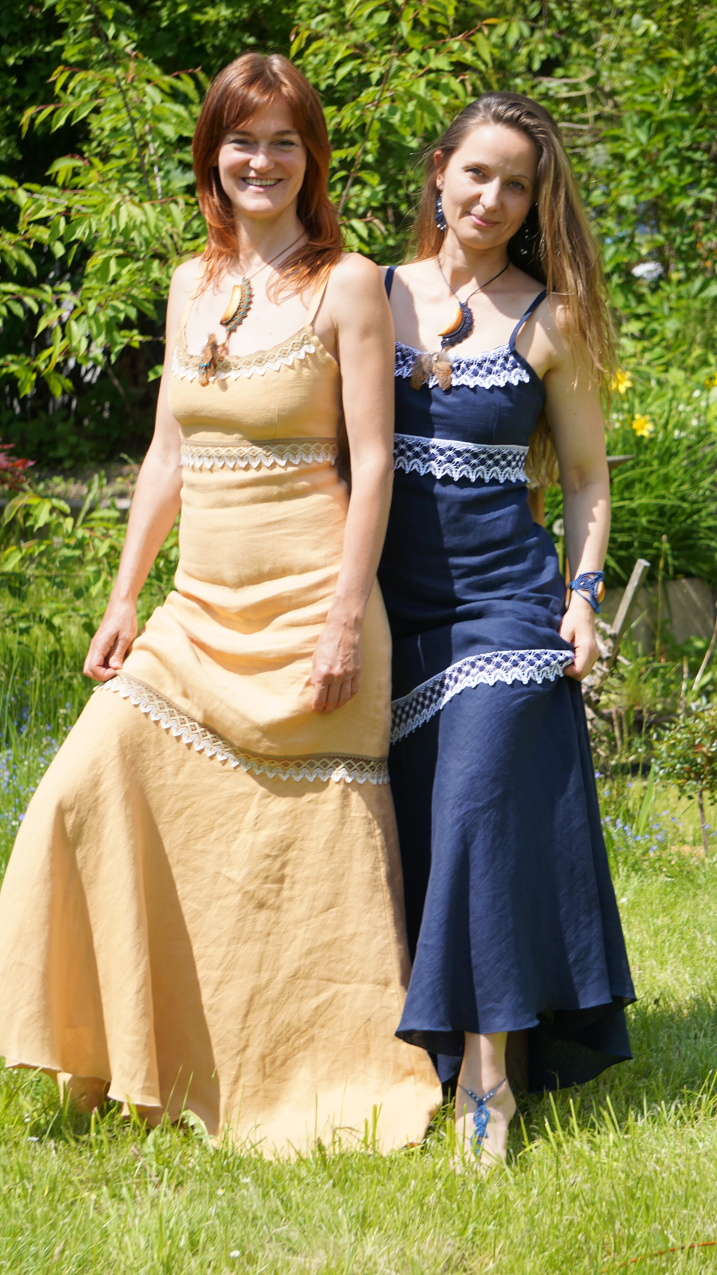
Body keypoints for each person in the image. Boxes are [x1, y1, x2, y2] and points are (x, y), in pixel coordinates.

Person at [0, 53, 441, 1154]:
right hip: (195, 613)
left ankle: (312, 1077)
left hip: (310, 611)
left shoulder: (351, 283)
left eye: (285, 141)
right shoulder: (189, 283)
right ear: (213, 154)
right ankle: (110, 1048)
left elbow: (374, 467)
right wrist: (123, 596)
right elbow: (165, 453)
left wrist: (343, 618)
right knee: (80, 787)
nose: (262, 160)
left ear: (312, 158)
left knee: (298, 862)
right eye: (243, 140)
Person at [378, 92, 635, 1168]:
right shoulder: (369, 293)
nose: (490, 197)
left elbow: (584, 478)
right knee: (416, 828)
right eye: (476, 172)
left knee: (479, 806)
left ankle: (487, 1082)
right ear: (439, 171)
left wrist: (582, 596)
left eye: (516, 184)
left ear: (535, 203)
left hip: (506, 611)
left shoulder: (549, 318)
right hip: (384, 614)